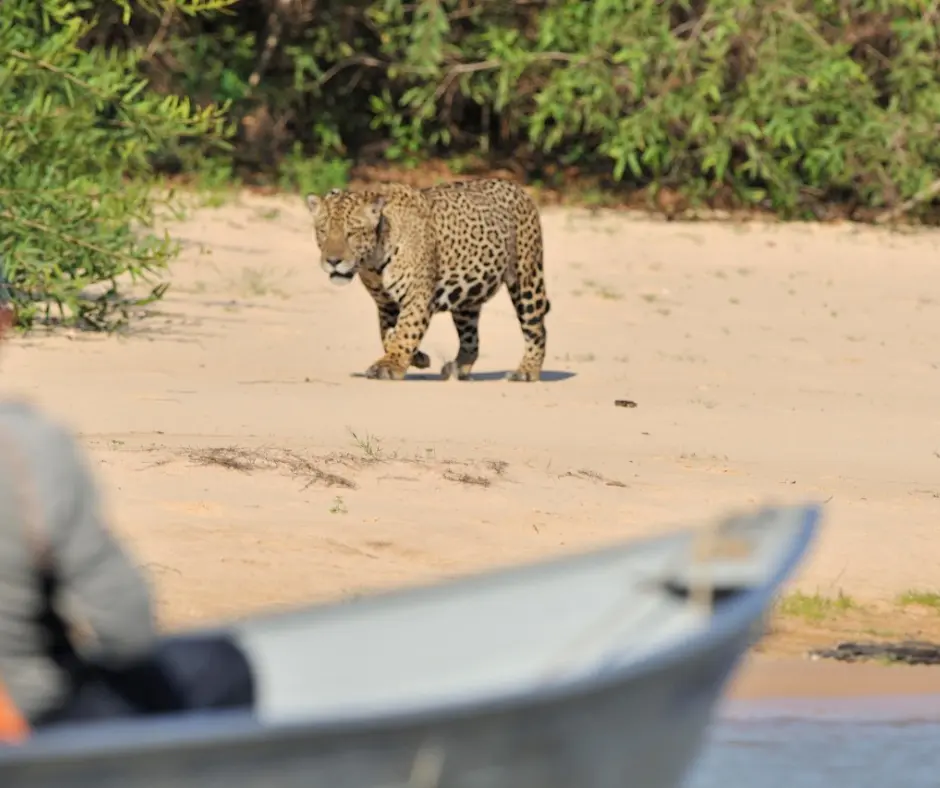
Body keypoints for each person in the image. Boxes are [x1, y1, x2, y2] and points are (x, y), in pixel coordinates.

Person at [0, 274, 253, 742]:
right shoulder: (26, 449)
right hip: (21, 722)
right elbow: (128, 628)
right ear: (6, 323)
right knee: (222, 665)